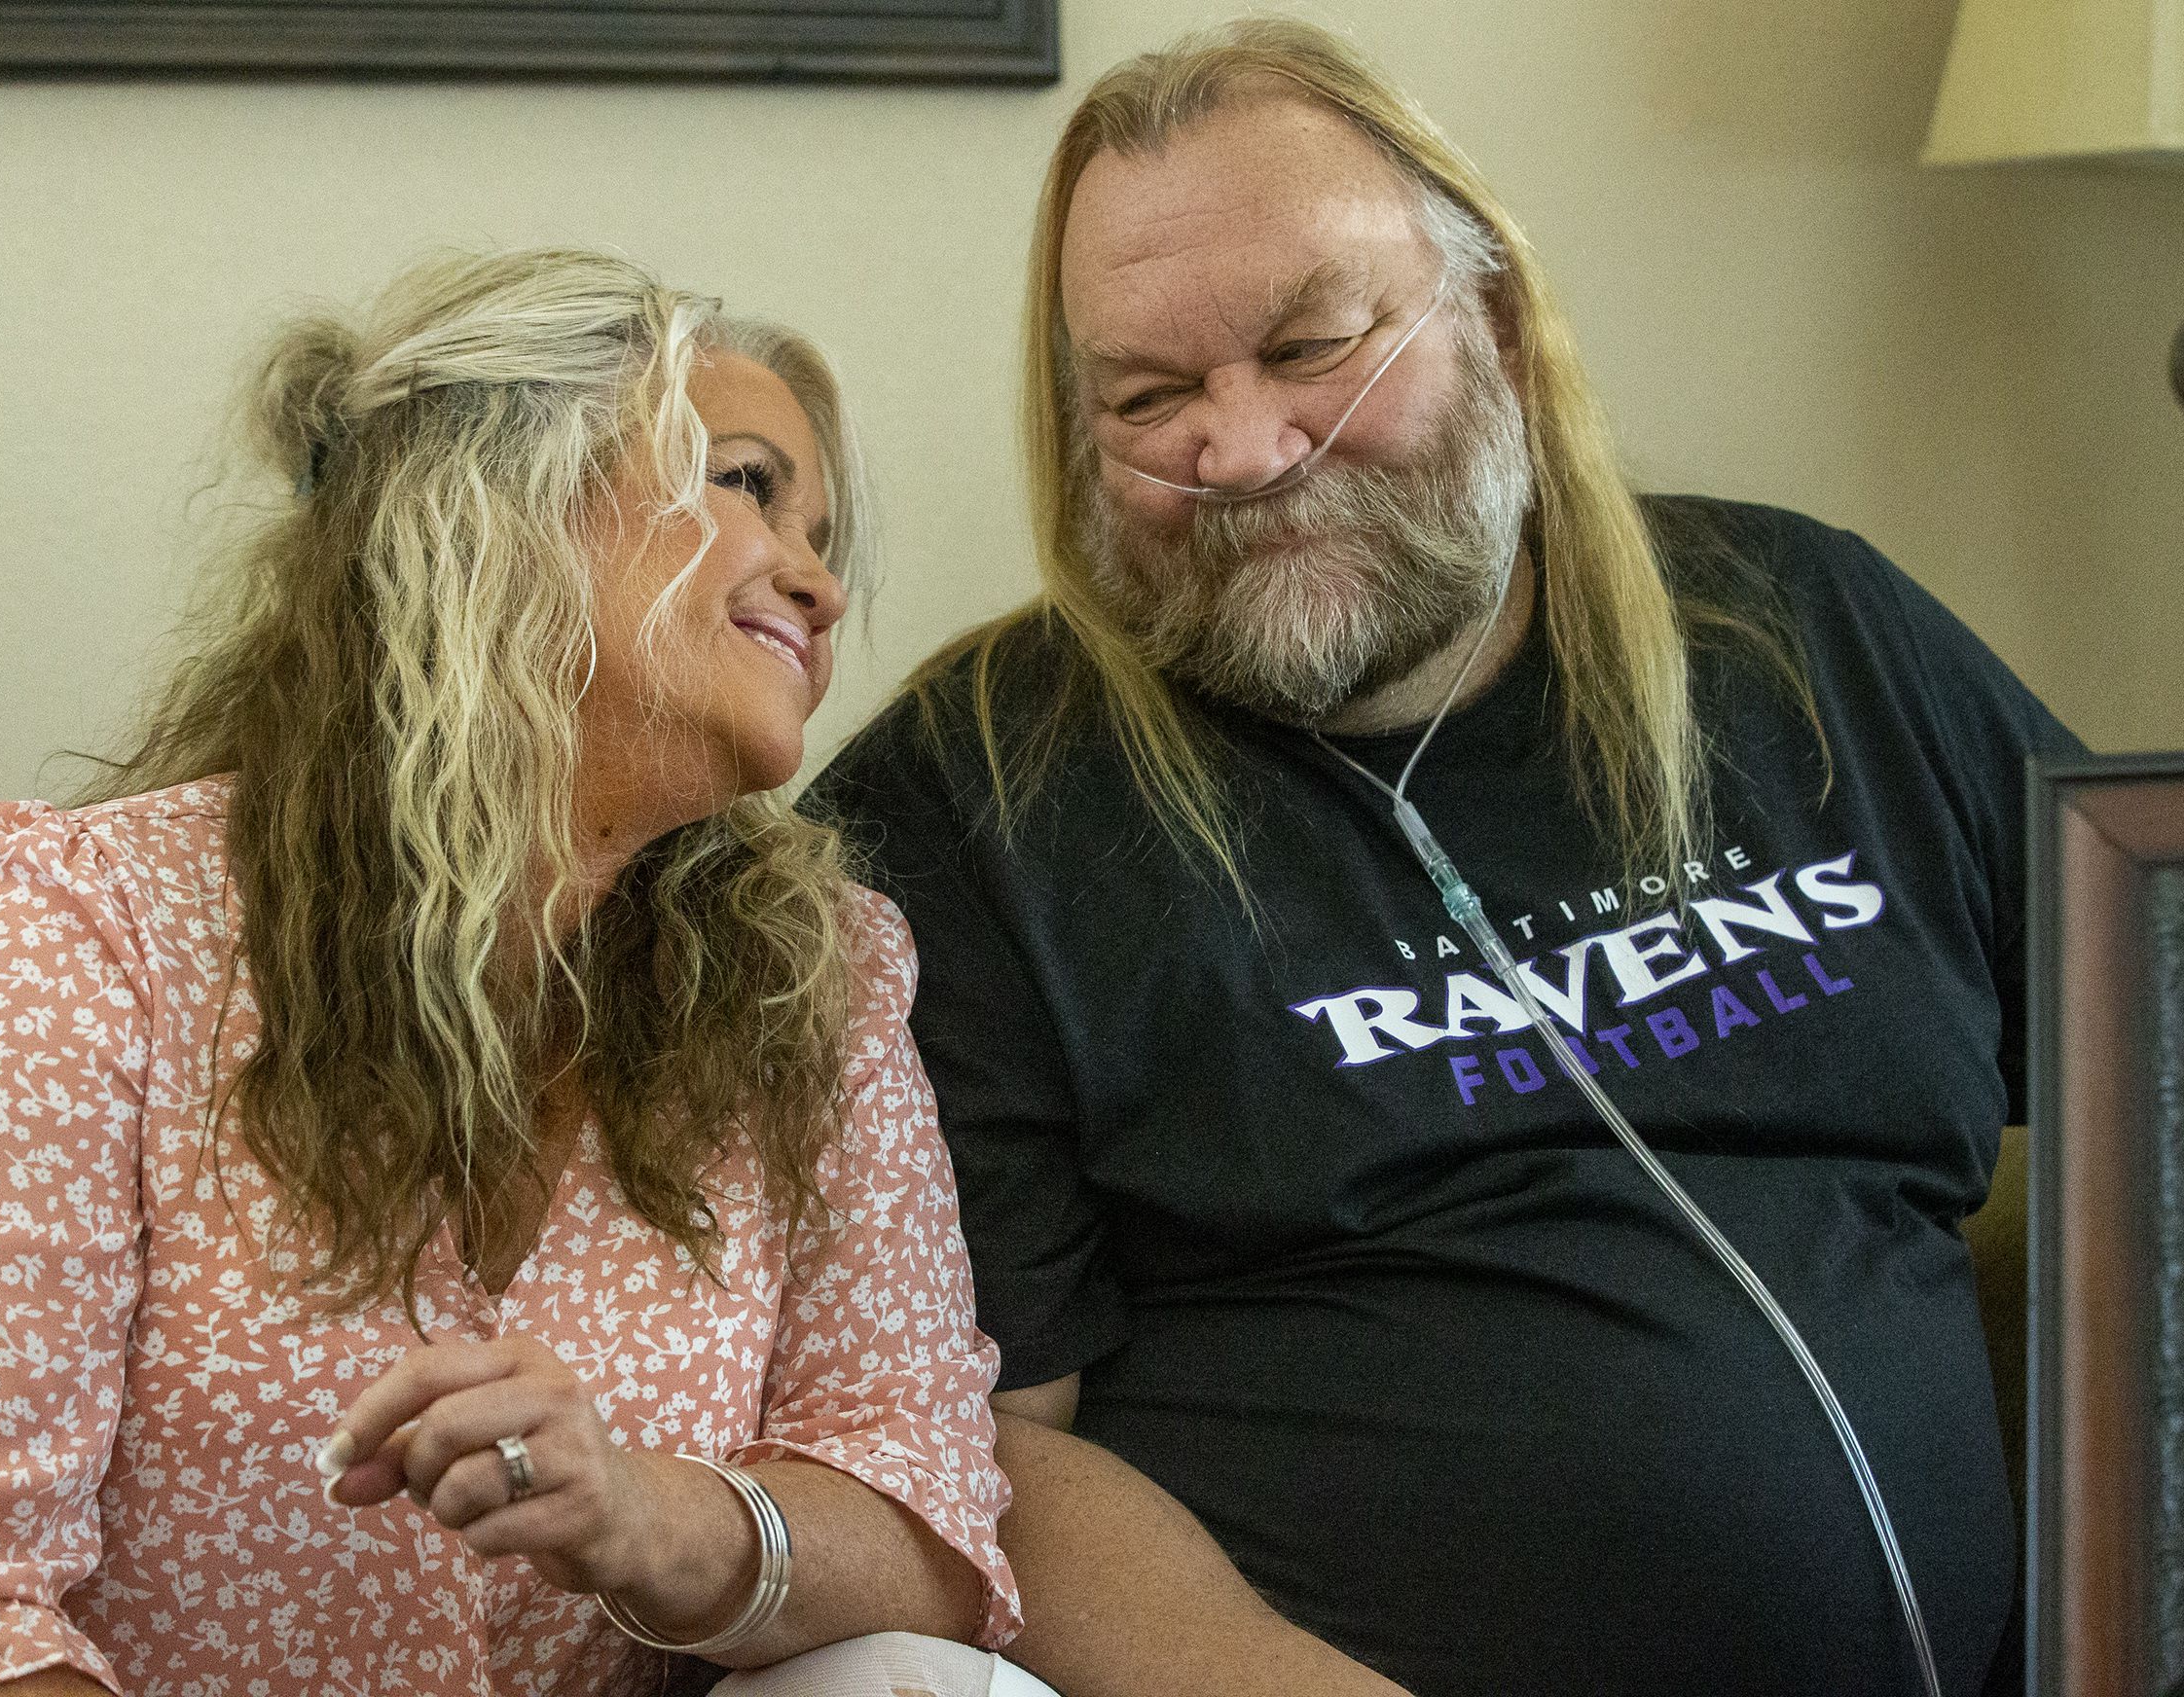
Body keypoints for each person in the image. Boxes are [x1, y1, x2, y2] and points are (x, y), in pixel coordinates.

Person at [810, 19, 2081, 1697]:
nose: (1247, 453)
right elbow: (979, 1452)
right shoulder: (974, 809)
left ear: (1489, 317)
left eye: (1314, 345)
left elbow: (2152, 1087)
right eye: (1151, 396)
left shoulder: (1815, 639)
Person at [0, 248, 1027, 1697]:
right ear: (495, 507)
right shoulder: (87, 932)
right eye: (743, 484)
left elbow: (933, 1527)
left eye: (825, 529)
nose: (821, 582)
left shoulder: (826, 980)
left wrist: (647, 1514)